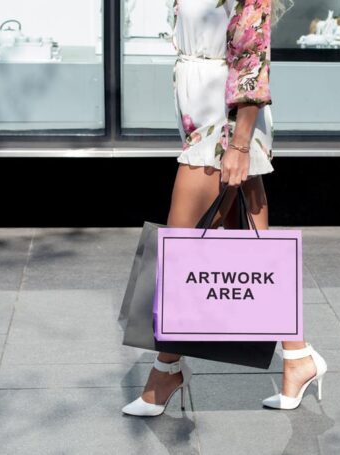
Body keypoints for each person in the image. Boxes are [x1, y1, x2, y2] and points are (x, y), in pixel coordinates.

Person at [122, 0, 328, 416]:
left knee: (180, 246)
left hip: (227, 122)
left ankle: (166, 372)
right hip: (201, 114)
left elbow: (252, 57)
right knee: (255, 248)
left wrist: (239, 145)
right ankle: (297, 357)